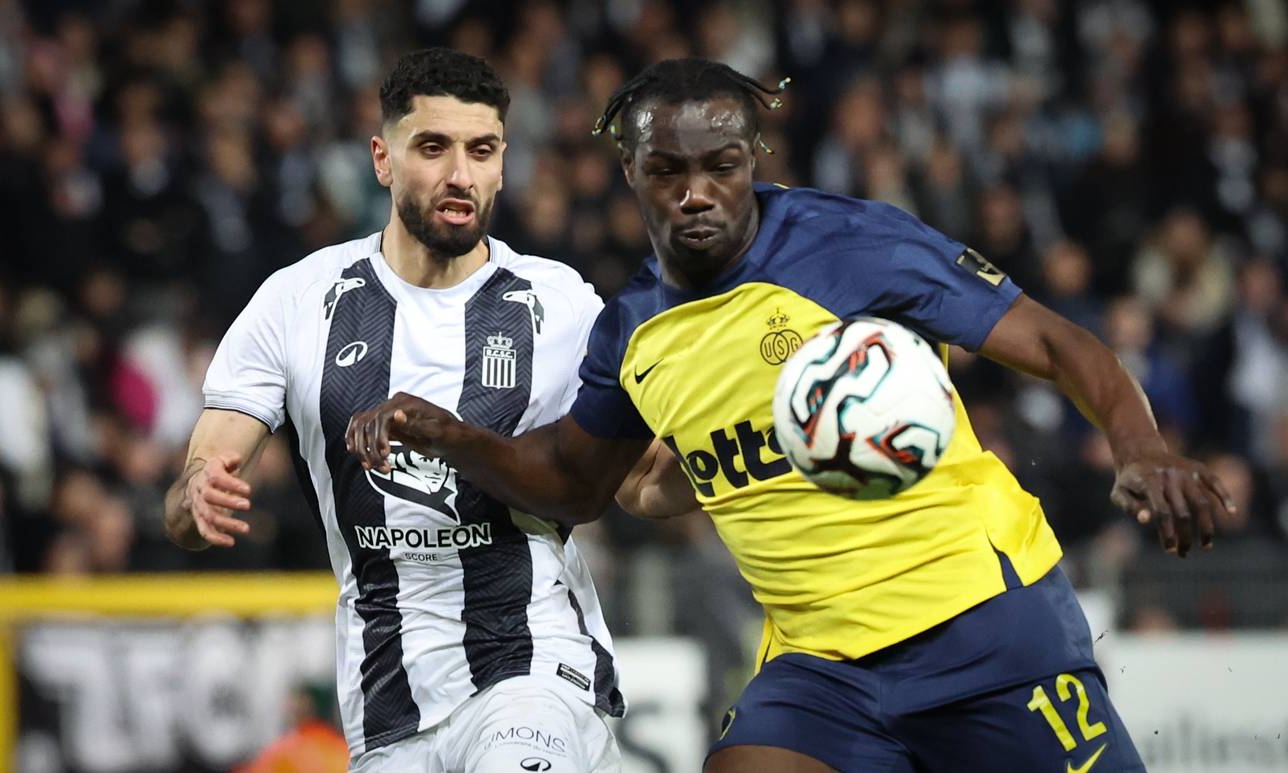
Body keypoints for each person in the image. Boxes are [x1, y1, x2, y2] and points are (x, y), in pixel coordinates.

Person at [345, 59, 1234, 772]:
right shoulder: (634, 330)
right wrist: (449, 435)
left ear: (753, 161)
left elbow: (1055, 342)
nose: (696, 192)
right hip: (820, 669)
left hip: (982, 624)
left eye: (721, 167)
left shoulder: (853, 245)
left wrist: (1141, 446)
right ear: (631, 173)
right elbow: (575, 483)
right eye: (668, 170)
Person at [164, 48, 623, 773]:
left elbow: (643, 478)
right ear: (382, 159)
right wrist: (197, 494)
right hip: (387, 708)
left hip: (532, 670)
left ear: (503, 164)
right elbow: (193, 490)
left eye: (482, 151)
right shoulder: (297, 301)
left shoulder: (559, 303)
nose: (460, 175)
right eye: (433, 148)